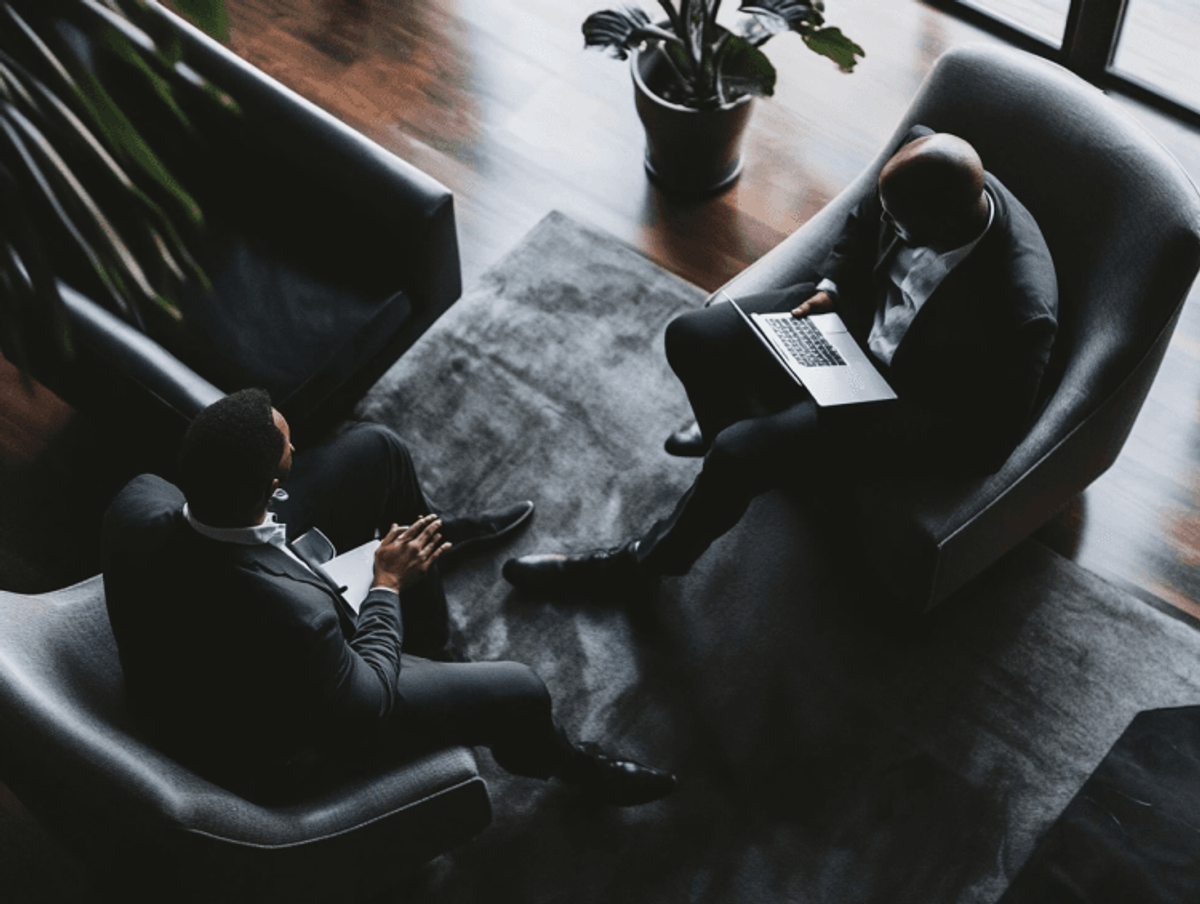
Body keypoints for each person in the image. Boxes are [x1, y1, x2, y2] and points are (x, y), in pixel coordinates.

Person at [502, 128, 1058, 592]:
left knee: (736, 453)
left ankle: (639, 567)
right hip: (846, 319)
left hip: (894, 399)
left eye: (902, 226)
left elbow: (988, 442)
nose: (889, 226)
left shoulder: (1020, 309)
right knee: (691, 337)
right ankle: (743, 462)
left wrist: (875, 414)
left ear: (945, 227)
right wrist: (832, 289)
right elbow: (862, 224)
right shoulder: (913, 169)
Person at [101, 389, 676, 806]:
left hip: (229, 588)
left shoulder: (139, 499)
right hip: (282, 738)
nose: (297, 445)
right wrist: (387, 584)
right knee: (522, 689)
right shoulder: (298, 618)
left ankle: (434, 571)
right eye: (289, 449)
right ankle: (564, 762)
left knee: (378, 448)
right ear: (272, 488)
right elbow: (369, 700)